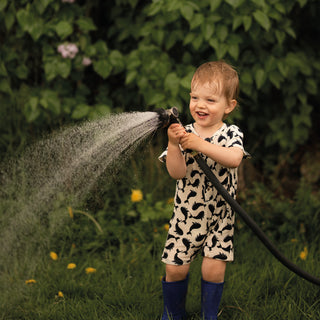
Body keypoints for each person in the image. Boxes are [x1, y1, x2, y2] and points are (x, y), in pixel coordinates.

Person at [159, 61, 249, 320]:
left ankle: (210, 315)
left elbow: (233, 159)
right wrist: (174, 146)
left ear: (229, 106)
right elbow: (176, 173)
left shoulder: (231, 133)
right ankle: (172, 314)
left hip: (221, 216)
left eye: (210, 99)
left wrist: (200, 144)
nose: (200, 105)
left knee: (213, 269)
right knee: (175, 267)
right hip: (186, 215)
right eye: (195, 97)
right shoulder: (184, 134)